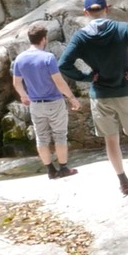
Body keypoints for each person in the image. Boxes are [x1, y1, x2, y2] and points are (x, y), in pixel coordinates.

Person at [58, 0, 128, 196]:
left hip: (100, 95)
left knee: (111, 140)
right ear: (107, 8)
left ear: (85, 12)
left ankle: (124, 182)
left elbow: (63, 64)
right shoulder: (123, 28)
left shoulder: (81, 37)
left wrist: (86, 76)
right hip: (126, 91)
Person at [10, 23, 81, 180]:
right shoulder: (48, 57)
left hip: (35, 104)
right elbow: (59, 82)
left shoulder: (20, 59)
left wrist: (24, 96)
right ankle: (63, 169)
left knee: (41, 137)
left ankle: (50, 171)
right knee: (60, 135)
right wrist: (71, 98)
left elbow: (16, 83)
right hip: (54, 102)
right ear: (43, 39)